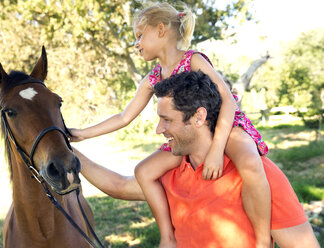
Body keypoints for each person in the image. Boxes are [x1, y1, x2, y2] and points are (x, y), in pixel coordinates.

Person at [70, 2, 271, 247]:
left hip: (222, 126)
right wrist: (81, 134)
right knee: (144, 171)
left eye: (140, 36)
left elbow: (228, 100)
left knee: (250, 162)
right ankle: (168, 236)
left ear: (161, 30)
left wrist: (217, 149)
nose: (136, 44)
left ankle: (263, 240)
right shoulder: (154, 77)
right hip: (185, 136)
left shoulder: (193, 59)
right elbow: (124, 117)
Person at [74, 71, 320, 248]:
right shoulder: (170, 172)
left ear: (199, 117)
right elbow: (118, 185)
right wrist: (64, 149)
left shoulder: (258, 174)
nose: (159, 129)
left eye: (167, 119)